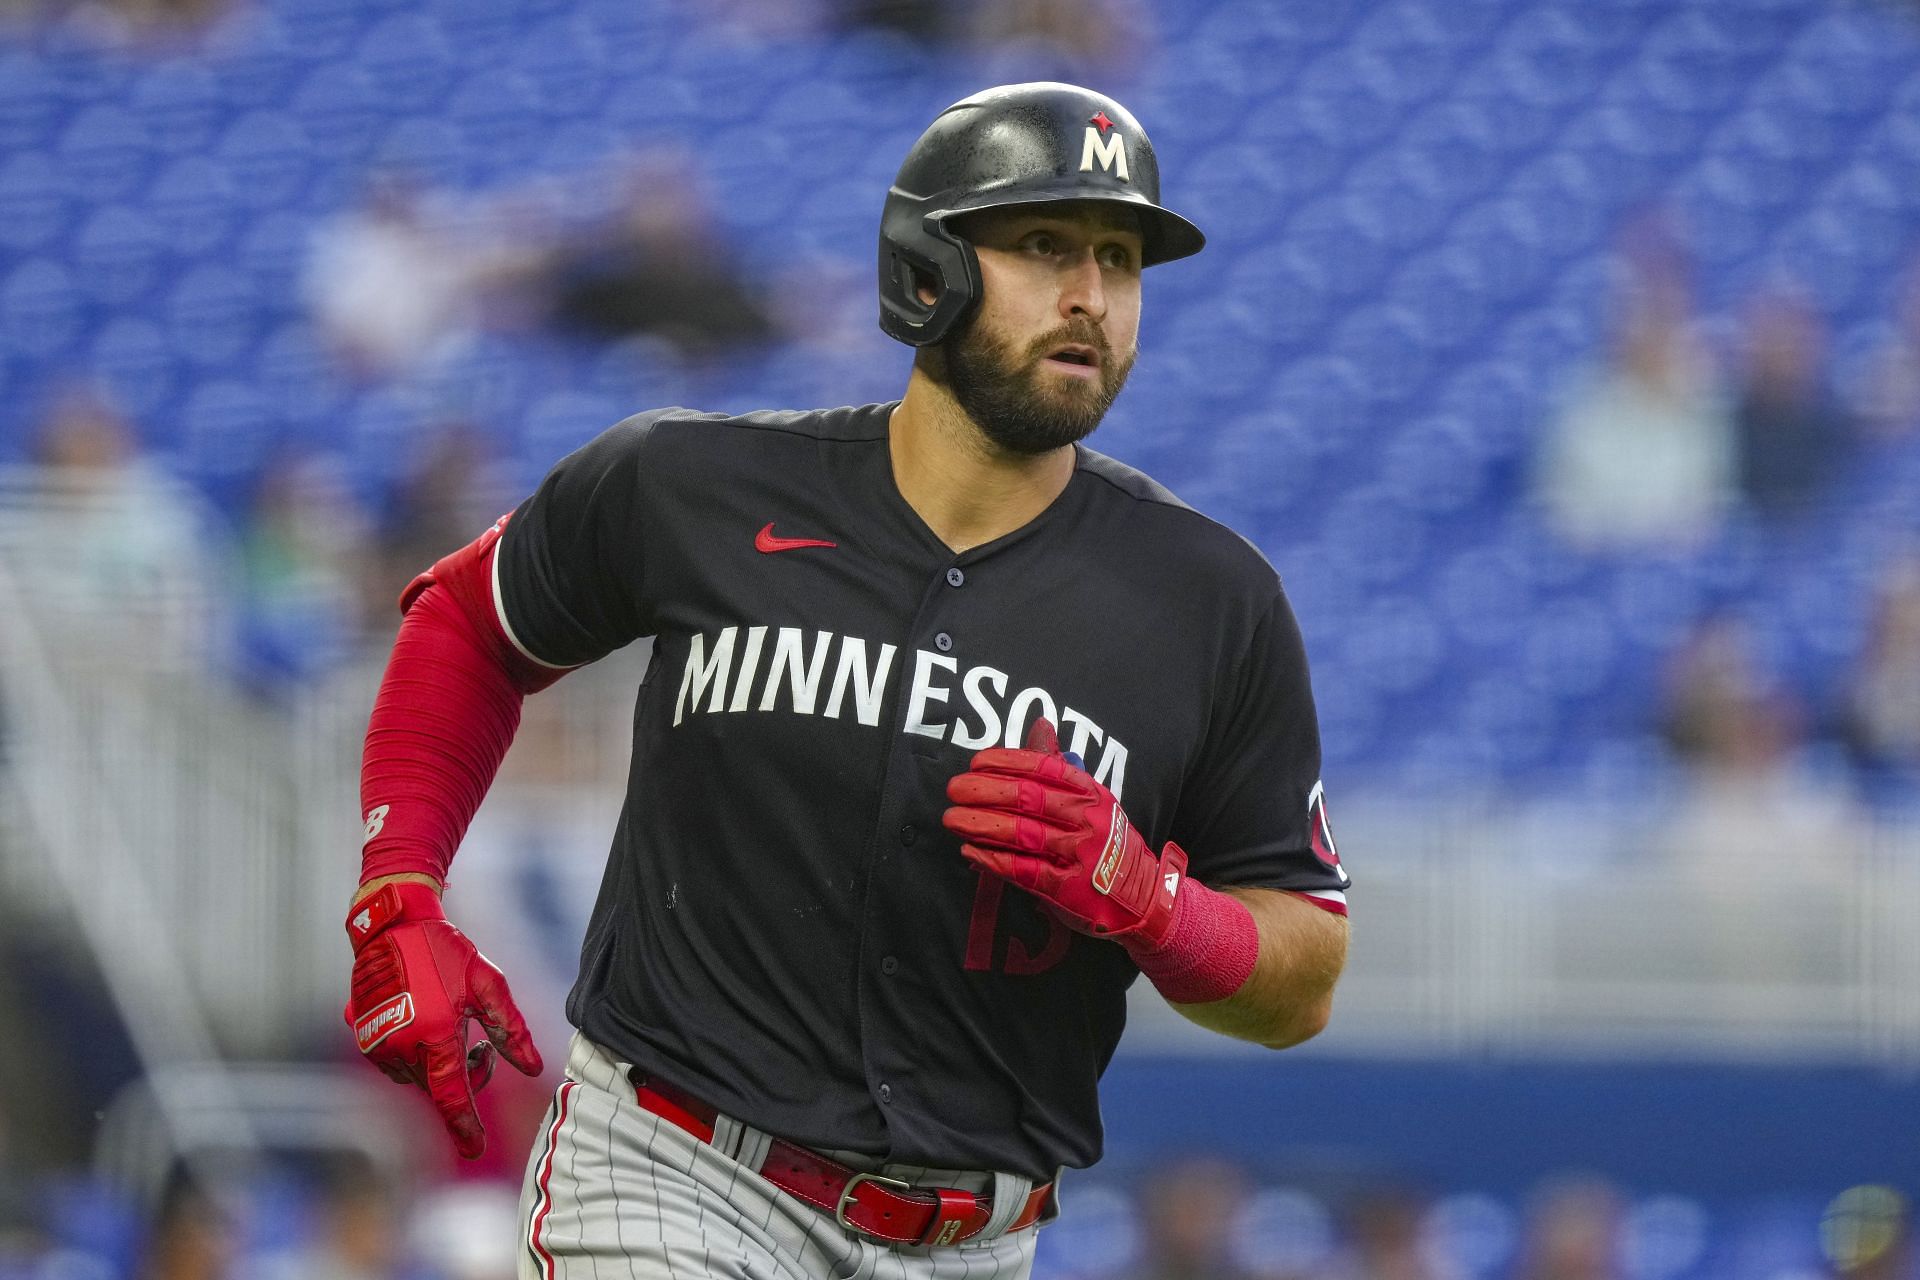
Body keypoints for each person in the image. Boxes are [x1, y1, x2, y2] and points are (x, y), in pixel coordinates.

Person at [342, 82, 1351, 1280]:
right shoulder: (694, 484)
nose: (1093, 294)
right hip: (677, 1172)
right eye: (1045, 246)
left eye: (1122, 260)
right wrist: (399, 890)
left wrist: (1151, 900)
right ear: (928, 269)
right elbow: (469, 617)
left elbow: (1301, 977)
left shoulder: (1211, 600)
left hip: (977, 1237)